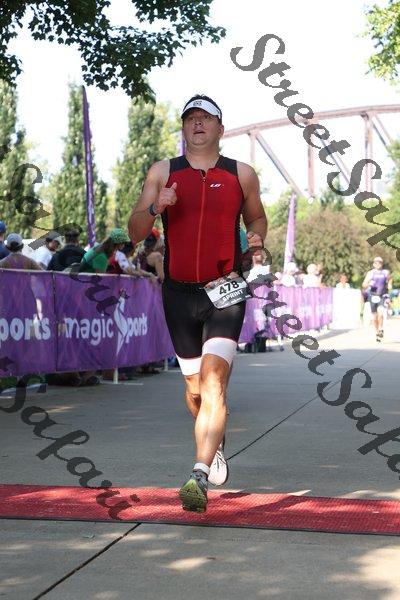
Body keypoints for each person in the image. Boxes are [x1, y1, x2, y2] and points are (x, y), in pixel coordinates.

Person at [129, 94, 267, 512]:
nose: (198, 123)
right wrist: (156, 207)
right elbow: (134, 231)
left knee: (213, 383)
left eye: (206, 118)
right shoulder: (163, 172)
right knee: (194, 392)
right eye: (191, 118)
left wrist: (258, 238)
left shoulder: (241, 174)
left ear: (221, 129)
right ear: (184, 128)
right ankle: (215, 440)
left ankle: (199, 474)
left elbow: (256, 216)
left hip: (226, 290)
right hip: (179, 294)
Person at [362, 257, 392, 342]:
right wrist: (368, 284)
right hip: (373, 296)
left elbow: (390, 279)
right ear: (373, 264)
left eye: (380, 262)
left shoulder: (385, 272)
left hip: (382, 295)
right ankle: (377, 332)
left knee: (381, 314)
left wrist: (389, 284)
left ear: (382, 264)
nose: (378, 264)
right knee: (374, 317)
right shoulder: (370, 273)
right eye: (376, 262)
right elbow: (364, 284)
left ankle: (381, 329)